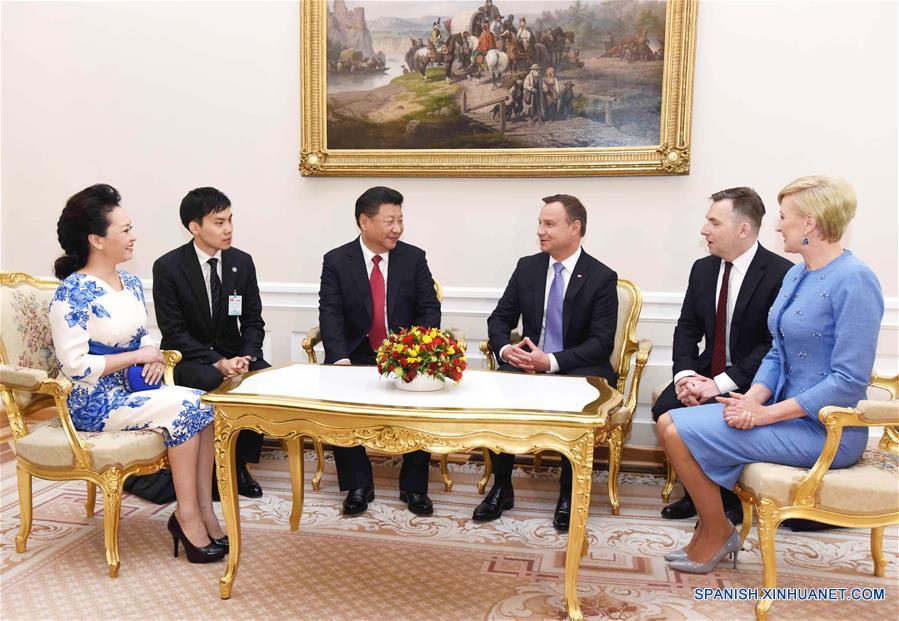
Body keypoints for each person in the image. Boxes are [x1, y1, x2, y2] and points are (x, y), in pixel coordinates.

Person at [657, 176, 883, 574]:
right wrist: (753, 399)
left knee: (675, 430)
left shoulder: (855, 279)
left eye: (784, 217)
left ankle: (715, 532)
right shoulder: (798, 274)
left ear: (809, 223)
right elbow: (777, 351)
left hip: (826, 429)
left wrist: (765, 414)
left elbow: (848, 380)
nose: (777, 226)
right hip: (780, 411)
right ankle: (715, 528)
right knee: (668, 421)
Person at [49, 184, 226, 563]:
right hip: (93, 401)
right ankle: (187, 515)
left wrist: (153, 358)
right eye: (125, 230)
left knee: (205, 404)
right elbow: (75, 367)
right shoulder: (73, 293)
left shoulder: (128, 282)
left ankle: (204, 510)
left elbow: (144, 337)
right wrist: (137, 357)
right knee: (185, 407)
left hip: (130, 392)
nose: (134, 236)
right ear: (97, 239)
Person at [475, 195, 618, 531]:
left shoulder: (600, 276)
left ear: (575, 228)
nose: (540, 231)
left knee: (578, 404)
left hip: (578, 365)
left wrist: (550, 361)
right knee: (499, 391)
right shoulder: (528, 267)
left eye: (549, 224)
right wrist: (506, 351)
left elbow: (601, 343)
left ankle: (569, 493)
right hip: (527, 362)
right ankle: (501, 487)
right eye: (539, 223)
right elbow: (500, 319)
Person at [653, 188, 792, 525]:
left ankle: (728, 500)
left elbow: (772, 346)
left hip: (754, 379)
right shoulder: (703, 269)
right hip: (704, 369)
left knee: (722, 413)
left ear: (743, 229)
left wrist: (718, 385)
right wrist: (685, 375)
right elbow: (687, 328)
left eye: (714, 222)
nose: (704, 230)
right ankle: (697, 494)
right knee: (666, 407)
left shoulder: (780, 273)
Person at [318, 186, 441, 517]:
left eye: (401, 220)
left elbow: (429, 310)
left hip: (404, 353)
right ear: (364, 222)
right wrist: (338, 358)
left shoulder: (413, 258)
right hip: (356, 352)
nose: (398, 228)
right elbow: (330, 313)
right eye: (390, 221)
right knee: (341, 405)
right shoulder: (336, 260)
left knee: (420, 401)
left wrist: (417, 352)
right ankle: (359, 485)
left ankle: (414, 487)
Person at [151, 187, 269, 500]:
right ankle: (209, 468)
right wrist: (217, 361)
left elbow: (254, 321)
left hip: (235, 354)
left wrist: (246, 355)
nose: (228, 229)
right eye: (219, 222)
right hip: (190, 358)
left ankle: (239, 464)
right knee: (210, 377)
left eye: (230, 220)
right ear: (195, 227)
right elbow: (173, 331)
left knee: (261, 377)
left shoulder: (241, 262)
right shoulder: (168, 268)